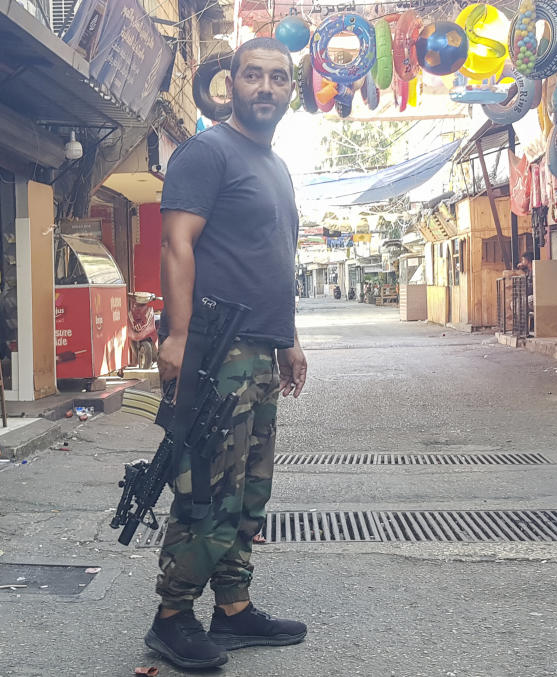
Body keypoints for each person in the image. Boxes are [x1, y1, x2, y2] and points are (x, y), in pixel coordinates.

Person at [149, 37, 308, 670]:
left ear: (290, 90)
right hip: (214, 351)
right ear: (230, 84)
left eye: (278, 78)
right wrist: (179, 338)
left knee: (250, 490)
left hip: (260, 352)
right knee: (206, 490)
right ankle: (172, 617)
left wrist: (289, 339)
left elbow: (276, 259)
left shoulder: (275, 165)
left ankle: (234, 609)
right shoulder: (207, 151)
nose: (265, 88)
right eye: (254, 76)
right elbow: (175, 245)